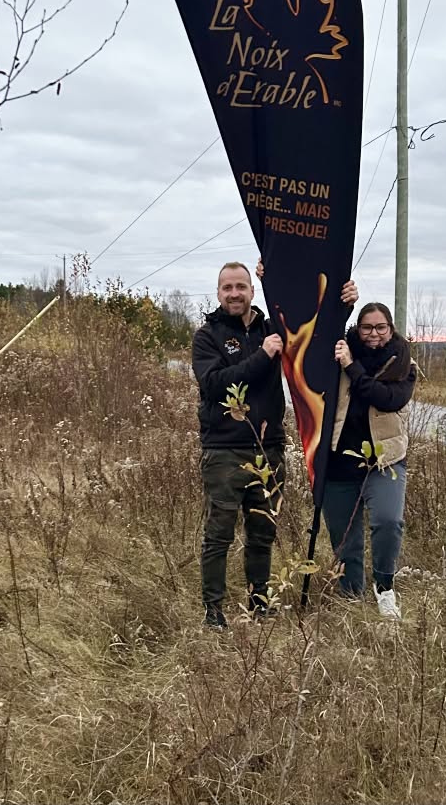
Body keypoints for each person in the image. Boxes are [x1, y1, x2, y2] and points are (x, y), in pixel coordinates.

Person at [192, 261, 357, 629]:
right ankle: (213, 610)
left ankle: (259, 602)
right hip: (224, 450)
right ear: (218, 294)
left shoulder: (272, 328)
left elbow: (313, 333)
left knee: (262, 531)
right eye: (227, 288)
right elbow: (215, 385)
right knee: (218, 534)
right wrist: (262, 355)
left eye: (241, 286)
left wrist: (343, 305)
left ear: (252, 290)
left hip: (269, 449)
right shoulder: (208, 337)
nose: (234, 293)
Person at [327, 302, 416, 619]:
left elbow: (387, 399)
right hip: (339, 459)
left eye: (381, 327)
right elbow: (316, 325)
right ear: (357, 328)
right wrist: (346, 305)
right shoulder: (338, 353)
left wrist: (352, 367)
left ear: (390, 328)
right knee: (344, 536)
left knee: (388, 521)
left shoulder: (403, 363)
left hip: (385, 459)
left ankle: (384, 586)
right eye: (367, 327)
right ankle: (350, 596)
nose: (374, 334)